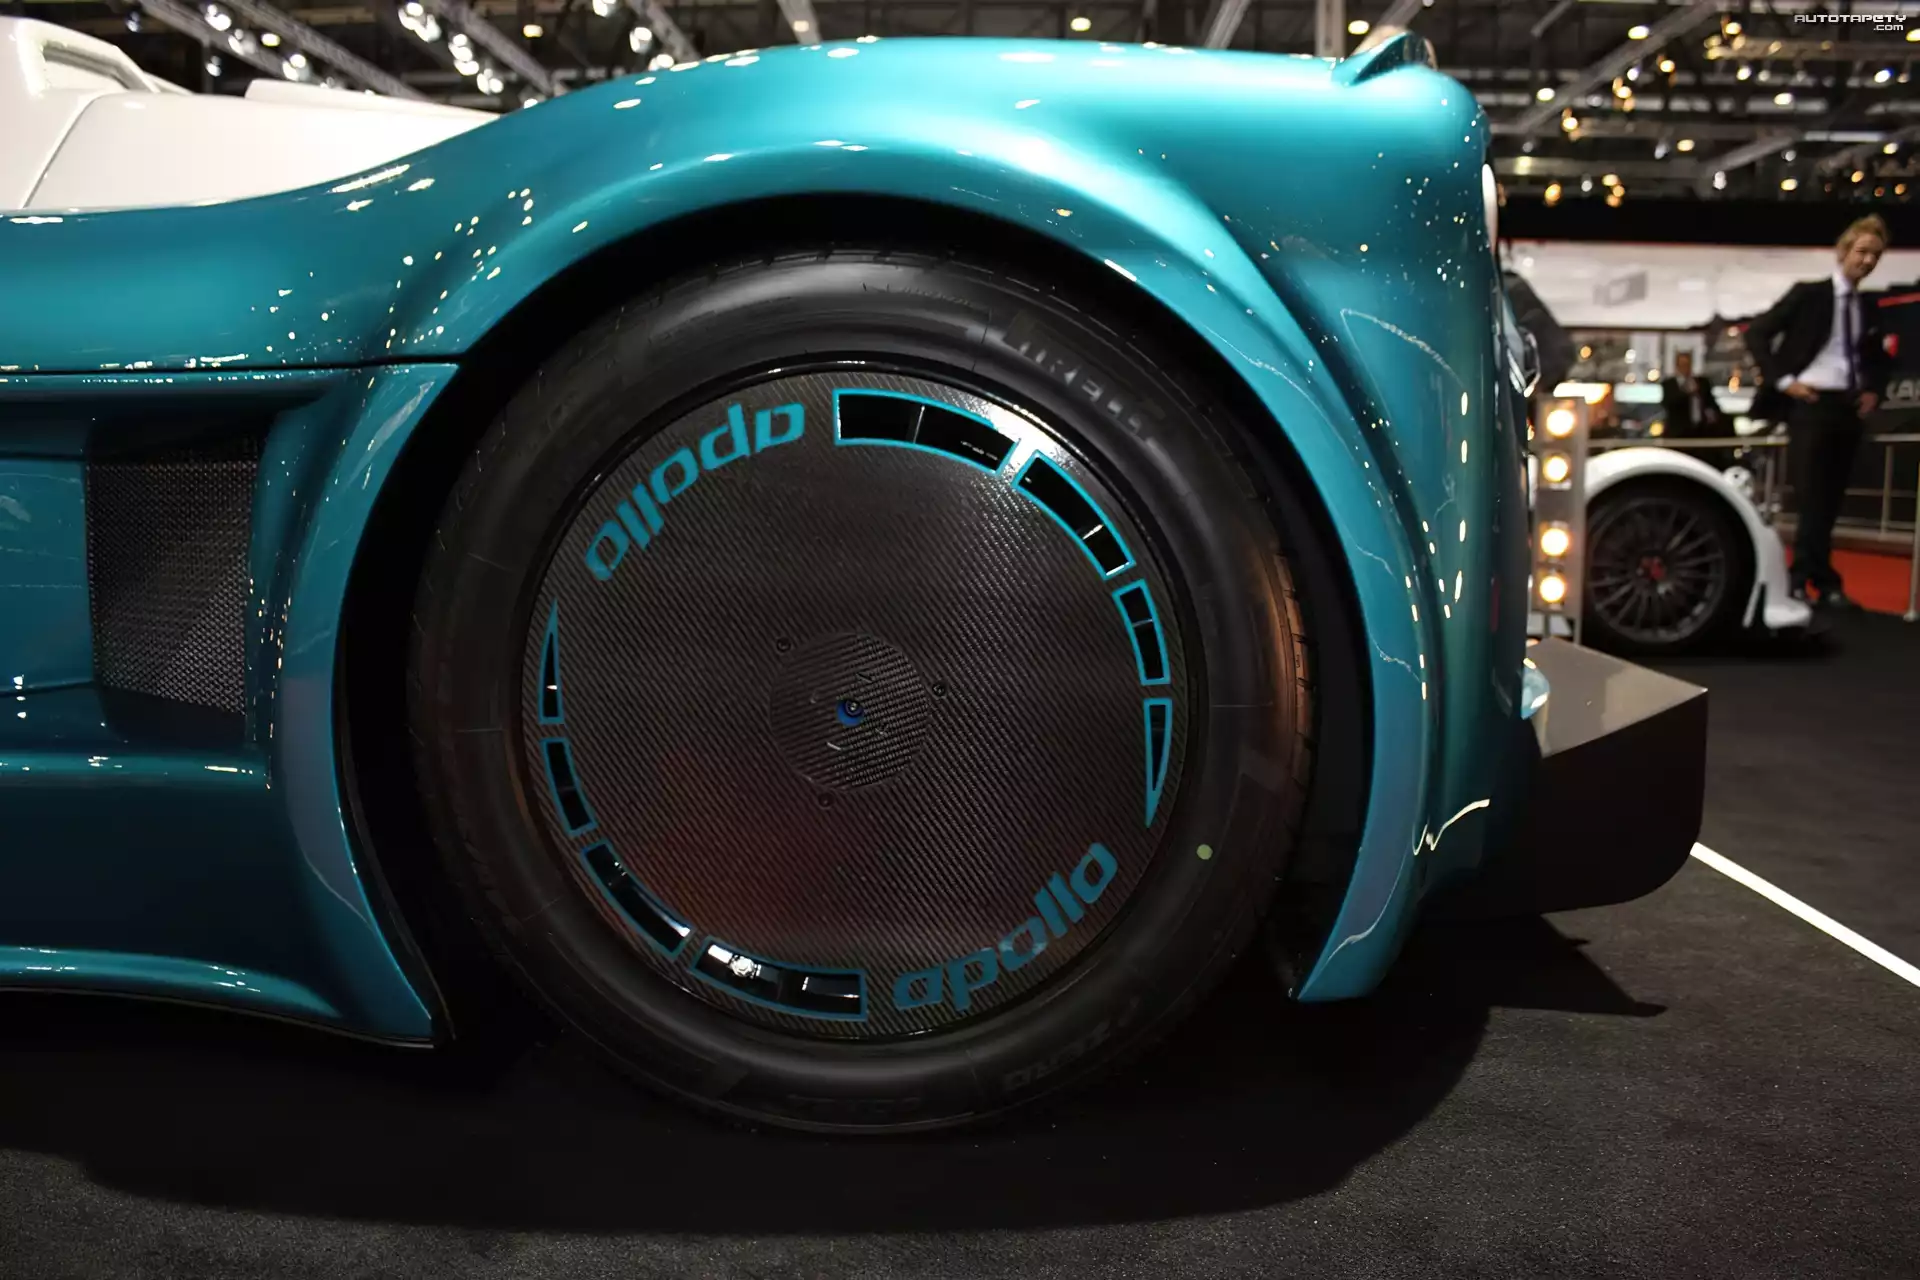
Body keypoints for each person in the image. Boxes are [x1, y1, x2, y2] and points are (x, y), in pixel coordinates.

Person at [1742, 214, 1892, 609]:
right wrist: (1783, 380)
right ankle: (1809, 578)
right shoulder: (1809, 295)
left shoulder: (1869, 306)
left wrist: (1874, 391)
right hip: (1809, 404)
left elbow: (1878, 359)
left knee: (1831, 500)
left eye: (1875, 255)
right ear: (1843, 252)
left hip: (1847, 407)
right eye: (1862, 252)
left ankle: (1814, 578)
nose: (1868, 261)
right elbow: (1757, 332)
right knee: (1810, 497)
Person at [1661, 351, 1727, 435]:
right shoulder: (1669, 384)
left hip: (1701, 430)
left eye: (1687, 364)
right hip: (1678, 431)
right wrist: (1685, 392)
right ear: (1677, 366)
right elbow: (1668, 403)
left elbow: (1710, 402)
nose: (1684, 367)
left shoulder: (1702, 382)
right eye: (1682, 364)